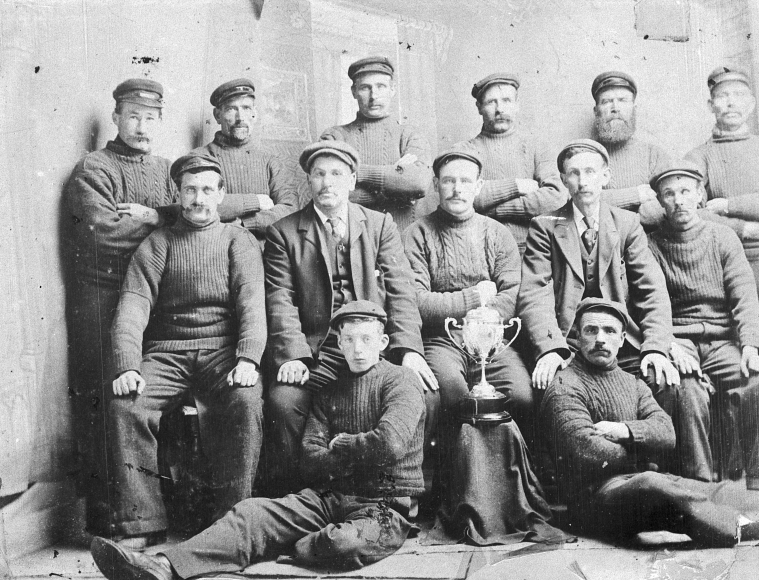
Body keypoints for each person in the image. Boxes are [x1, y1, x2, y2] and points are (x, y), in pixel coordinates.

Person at [90, 301, 426, 579]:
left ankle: (288, 546)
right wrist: (351, 449)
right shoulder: (330, 388)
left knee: (343, 544)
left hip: (385, 506)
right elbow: (310, 456)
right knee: (251, 513)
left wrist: (339, 445)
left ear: (383, 343)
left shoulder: (400, 381)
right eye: (349, 340)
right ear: (338, 343)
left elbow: (390, 444)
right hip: (330, 497)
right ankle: (162, 567)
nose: (358, 349)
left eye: (367, 339)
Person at [104, 152, 265, 547]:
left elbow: (251, 304)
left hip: (222, 352)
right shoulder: (158, 243)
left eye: (208, 190)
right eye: (190, 190)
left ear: (221, 194)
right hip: (167, 354)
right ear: (178, 194)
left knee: (246, 400)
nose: (198, 198)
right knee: (126, 405)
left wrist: (247, 358)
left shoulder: (237, 240)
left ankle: (231, 524)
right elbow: (132, 306)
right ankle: (141, 524)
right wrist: (127, 364)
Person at [542, 298, 759, 547]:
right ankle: (740, 528)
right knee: (653, 483)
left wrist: (625, 430)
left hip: (644, 482)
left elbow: (667, 433)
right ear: (577, 335)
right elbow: (589, 452)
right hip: (594, 501)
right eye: (590, 330)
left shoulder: (634, 383)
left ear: (622, 338)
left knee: (717, 491)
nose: (600, 338)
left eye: (609, 331)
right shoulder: (565, 385)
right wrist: (645, 450)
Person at [263, 140, 434, 494]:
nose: (328, 183)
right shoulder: (284, 233)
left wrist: (408, 350)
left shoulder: (379, 225)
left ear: (353, 181)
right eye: (319, 174)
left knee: (427, 394)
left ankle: (396, 492)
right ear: (308, 181)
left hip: (373, 348)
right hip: (316, 350)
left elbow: (401, 291)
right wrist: (294, 355)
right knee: (284, 402)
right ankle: (307, 492)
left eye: (337, 174)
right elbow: (280, 300)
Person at [65, 78, 177, 536]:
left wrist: (154, 216)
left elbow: (189, 215)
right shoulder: (94, 167)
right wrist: (167, 226)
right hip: (105, 298)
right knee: (103, 398)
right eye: (133, 115)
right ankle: (108, 515)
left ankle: (151, 511)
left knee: (146, 397)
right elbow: (104, 234)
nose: (141, 125)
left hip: (155, 298)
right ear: (115, 117)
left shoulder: (168, 169)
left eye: (150, 117)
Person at [686, 67, 759, 483]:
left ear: (751, 104)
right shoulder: (699, 156)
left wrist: (727, 205)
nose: (730, 103)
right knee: (735, 359)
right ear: (710, 104)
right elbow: (690, 209)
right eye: (722, 96)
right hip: (720, 269)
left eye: (738, 96)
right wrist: (744, 224)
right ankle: (737, 460)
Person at [648, 160, 759, 489]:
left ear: (700, 195)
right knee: (685, 391)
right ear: (660, 201)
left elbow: (744, 294)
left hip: (722, 342)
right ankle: (701, 489)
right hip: (679, 340)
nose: (678, 200)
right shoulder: (651, 243)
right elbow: (647, 301)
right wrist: (668, 345)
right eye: (669, 194)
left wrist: (749, 346)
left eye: (685, 192)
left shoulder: (723, 237)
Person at [517, 139, 677, 391]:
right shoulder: (544, 226)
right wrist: (550, 348)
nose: (583, 182)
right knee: (553, 388)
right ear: (563, 179)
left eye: (590, 172)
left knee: (663, 382)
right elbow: (535, 294)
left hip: (621, 341)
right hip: (569, 340)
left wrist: (655, 347)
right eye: (574, 173)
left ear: (605, 176)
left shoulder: (628, 224)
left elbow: (652, 292)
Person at [403, 142, 534, 449]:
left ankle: (507, 482)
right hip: (441, 340)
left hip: (492, 337)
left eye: (465, 181)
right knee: (454, 396)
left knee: (521, 396)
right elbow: (417, 301)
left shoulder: (497, 233)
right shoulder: (417, 234)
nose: (456, 189)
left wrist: (484, 319)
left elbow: (512, 291)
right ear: (436, 185)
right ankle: (459, 482)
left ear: (479, 186)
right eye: (448, 181)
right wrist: (474, 298)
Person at [320, 56, 433, 231]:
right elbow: (329, 194)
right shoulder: (334, 137)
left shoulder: (411, 135)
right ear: (353, 91)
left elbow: (417, 183)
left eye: (381, 86)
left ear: (392, 89)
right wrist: (397, 186)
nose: (374, 96)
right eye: (365, 88)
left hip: (402, 241)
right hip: (351, 240)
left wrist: (355, 172)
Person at [467, 73, 566, 253]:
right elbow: (466, 195)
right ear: (479, 107)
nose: (500, 109)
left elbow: (556, 198)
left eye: (506, 100)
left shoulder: (537, 146)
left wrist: (496, 211)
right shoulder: (468, 150)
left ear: (517, 105)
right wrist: (516, 185)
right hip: (483, 252)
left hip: (536, 251)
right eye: (491, 102)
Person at [193, 78, 297, 241]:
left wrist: (244, 224)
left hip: (266, 256)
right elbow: (198, 205)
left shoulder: (270, 161)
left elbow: (290, 210)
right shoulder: (201, 158)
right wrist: (255, 201)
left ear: (254, 114)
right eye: (231, 109)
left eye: (246, 108)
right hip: (215, 252)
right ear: (217, 115)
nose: (240, 117)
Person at [590, 71, 669, 228]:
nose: (615, 108)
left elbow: (675, 202)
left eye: (622, 100)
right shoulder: (586, 155)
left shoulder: (653, 154)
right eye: (606, 102)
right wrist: (636, 195)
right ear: (596, 111)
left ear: (634, 108)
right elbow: (580, 201)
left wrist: (653, 210)